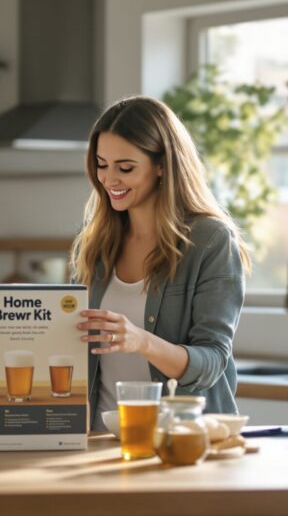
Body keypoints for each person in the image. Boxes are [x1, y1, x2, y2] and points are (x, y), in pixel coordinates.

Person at [70, 96, 250, 430]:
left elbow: (211, 362)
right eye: (101, 163)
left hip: (180, 440)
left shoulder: (210, 241)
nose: (109, 179)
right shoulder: (94, 242)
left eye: (125, 168)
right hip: (100, 442)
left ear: (162, 165)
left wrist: (140, 341)